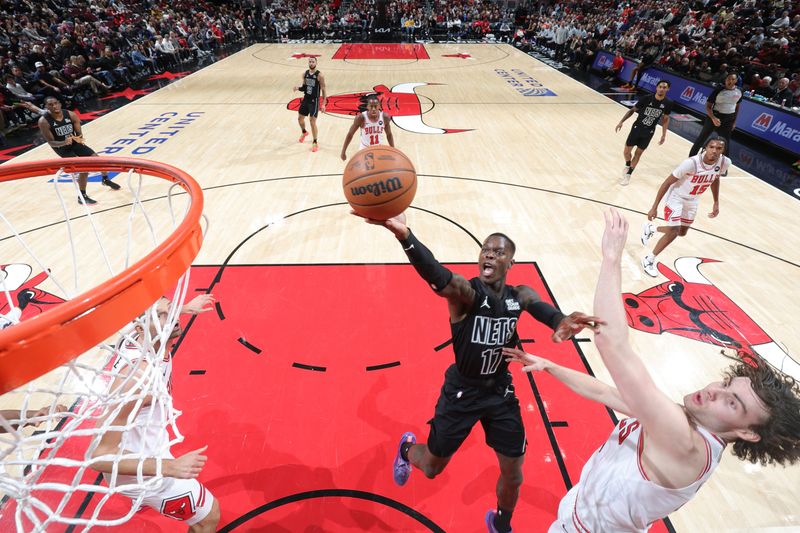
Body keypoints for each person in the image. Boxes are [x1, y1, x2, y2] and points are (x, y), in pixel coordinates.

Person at [505, 208, 800, 532]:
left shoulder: (685, 444)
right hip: (578, 514)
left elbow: (613, 346)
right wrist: (550, 366)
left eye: (731, 403)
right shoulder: (685, 423)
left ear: (747, 433)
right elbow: (605, 392)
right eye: (728, 384)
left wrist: (611, 258)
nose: (716, 390)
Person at [357, 211, 601, 533]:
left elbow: (546, 312)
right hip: (462, 391)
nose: (489, 253)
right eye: (486, 249)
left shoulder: (520, 295)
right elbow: (439, 277)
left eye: (498, 252)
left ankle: (501, 523)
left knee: (514, 473)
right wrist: (405, 236)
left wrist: (560, 323)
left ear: (510, 263)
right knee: (431, 467)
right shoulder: (467, 294)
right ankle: (406, 449)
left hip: (500, 391)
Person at [90, 294, 220, 532]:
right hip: (139, 469)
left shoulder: (135, 336)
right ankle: (142, 495)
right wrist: (169, 467)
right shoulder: (138, 380)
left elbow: (150, 317)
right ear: (141, 327)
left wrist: (184, 308)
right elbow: (100, 457)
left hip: (139, 447)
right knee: (209, 517)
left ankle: (139, 499)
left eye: (169, 310)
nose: (171, 318)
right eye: (162, 316)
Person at [641, 136, 728, 277]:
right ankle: (649, 259)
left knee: (681, 232)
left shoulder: (724, 162)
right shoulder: (691, 163)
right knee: (674, 231)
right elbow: (667, 182)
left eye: (719, 148)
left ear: (723, 150)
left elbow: (715, 178)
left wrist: (716, 201)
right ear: (705, 148)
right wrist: (654, 206)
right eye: (711, 147)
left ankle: (651, 228)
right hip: (676, 197)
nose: (714, 151)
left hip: (693, 200)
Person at [38, 96, 121, 205]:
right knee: (83, 168)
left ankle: (105, 179)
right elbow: (51, 142)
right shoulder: (44, 121)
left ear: (59, 103)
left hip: (74, 142)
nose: (54, 106)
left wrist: (79, 138)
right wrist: (64, 142)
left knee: (97, 159)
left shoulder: (70, 114)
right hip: (61, 148)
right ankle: (82, 196)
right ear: (46, 107)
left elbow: (79, 133)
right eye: (50, 105)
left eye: (55, 103)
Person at [615, 80, 673, 185]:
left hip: (649, 131)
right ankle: (628, 164)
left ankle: (628, 175)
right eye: (660, 86)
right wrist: (621, 121)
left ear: (668, 89)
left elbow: (665, 119)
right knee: (626, 152)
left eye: (664, 87)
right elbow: (632, 110)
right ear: (656, 87)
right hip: (637, 128)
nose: (662, 89)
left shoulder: (668, 103)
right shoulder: (646, 98)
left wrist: (664, 134)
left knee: (638, 154)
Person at [689, 72, 741, 157]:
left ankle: (724, 168)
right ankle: (690, 159)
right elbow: (708, 107)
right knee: (701, 139)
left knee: (726, 143)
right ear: (726, 79)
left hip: (729, 119)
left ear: (736, 81)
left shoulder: (739, 91)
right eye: (728, 78)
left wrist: (734, 122)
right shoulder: (719, 90)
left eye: (732, 79)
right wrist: (713, 118)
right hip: (715, 116)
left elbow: (737, 107)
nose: (730, 81)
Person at [340, 94, 395, 161]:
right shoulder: (361, 118)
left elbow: (389, 134)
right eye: (371, 106)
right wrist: (343, 152)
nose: (373, 109)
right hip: (364, 149)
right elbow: (350, 134)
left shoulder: (385, 117)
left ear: (379, 106)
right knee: (363, 170)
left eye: (375, 106)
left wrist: (393, 150)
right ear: (367, 107)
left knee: (379, 170)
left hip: (378, 149)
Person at [292, 57, 327, 153]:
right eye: (310, 61)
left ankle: (315, 141)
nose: (311, 63)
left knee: (312, 121)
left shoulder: (320, 75)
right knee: (300, 118)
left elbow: (323, 90)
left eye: (313, 61)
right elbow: (304, 87)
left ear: (316, 63)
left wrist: (323, 104)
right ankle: (304, 132)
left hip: (314, 101)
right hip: (306, 99)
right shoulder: (305, 74)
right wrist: (298, 88)